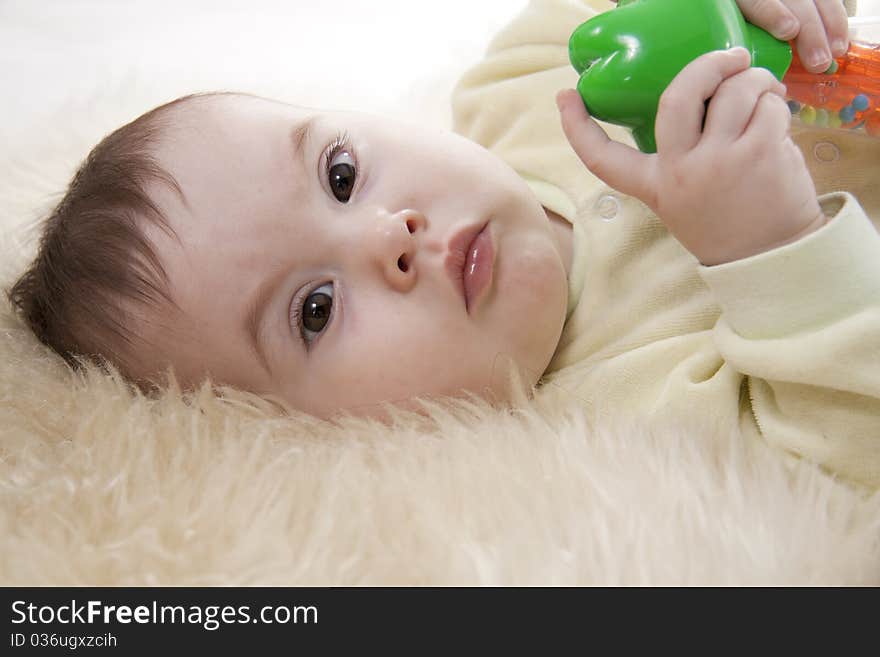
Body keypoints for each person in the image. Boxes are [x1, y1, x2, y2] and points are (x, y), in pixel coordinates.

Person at [7, 0, 879, 489]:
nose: (392, 236)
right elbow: (846, 447)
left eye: (343, 174)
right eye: (315, 310)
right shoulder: (629, 433)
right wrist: (768, 246)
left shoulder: (524, 84)